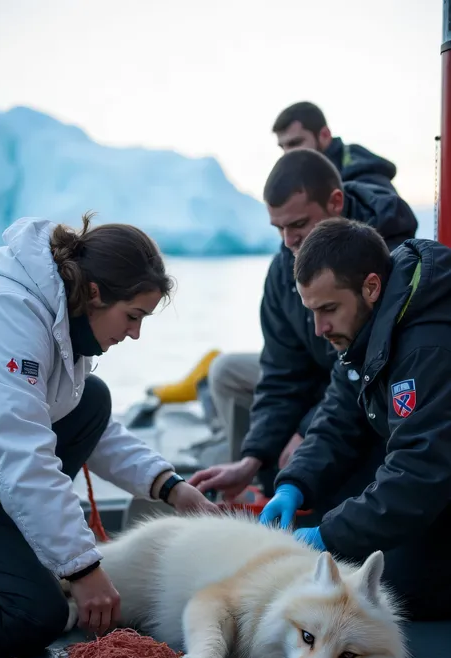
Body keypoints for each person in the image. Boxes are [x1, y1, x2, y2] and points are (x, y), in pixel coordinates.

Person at [0, 214, 218, 658]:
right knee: (33, 615)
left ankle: (14, 535)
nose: (135, 332)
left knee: (94, 398)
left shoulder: (62, 318)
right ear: (94, 293)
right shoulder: (7, 311)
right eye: (132, 316)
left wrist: (171, 487)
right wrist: (83, 568)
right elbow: (16, 449)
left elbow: (92, 426)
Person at [190, 149, 417, 500]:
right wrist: (254, 457)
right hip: (332, 397)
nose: (287, 241)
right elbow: (283, 373)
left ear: (335, 202)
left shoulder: (386, 263)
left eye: (297, 225)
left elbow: (366, 378)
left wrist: (305, 431)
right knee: (233, 386)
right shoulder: (284, 271)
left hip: (382, 412)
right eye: (278, 227)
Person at [259, 217, 451, 620]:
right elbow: (337, 416)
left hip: (436, 482)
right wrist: (294, 483)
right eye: (311, 311)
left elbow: (419, 473)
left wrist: (328, 535)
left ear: (370, 287)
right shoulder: (368, 328)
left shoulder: (427, 347)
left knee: (399, 588)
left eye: (328, 309)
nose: (318, 328)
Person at [272, 100, 398, 190]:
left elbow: (390, 215)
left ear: (325, 135)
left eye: (295, 143)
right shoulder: (304, 176)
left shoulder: (360, 169)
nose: (287, 153)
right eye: (283, 147)